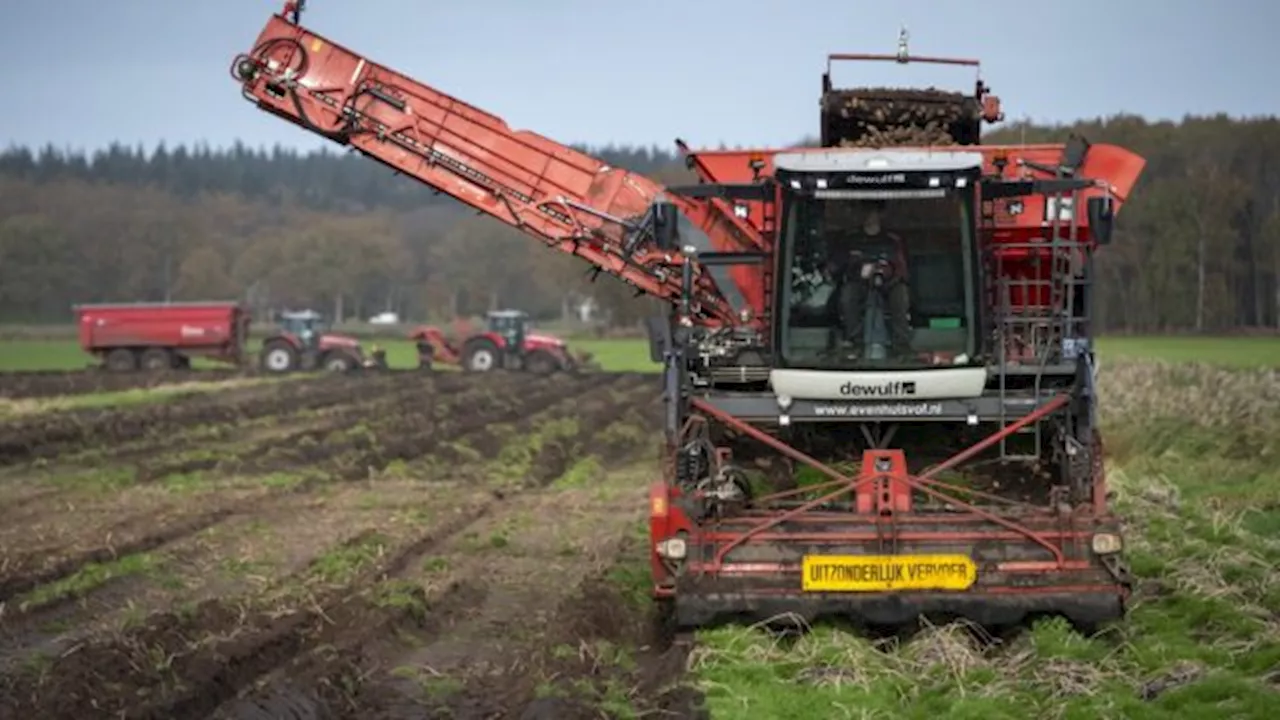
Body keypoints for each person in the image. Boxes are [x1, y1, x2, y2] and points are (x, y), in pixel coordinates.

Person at [827, 202, 913, 360]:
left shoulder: (892, 240)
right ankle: (855, 343)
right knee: (848, 296)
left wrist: (887, 272)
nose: (868, 216)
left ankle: (901, 346)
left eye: (872, 212)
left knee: (901, 296)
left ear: (880, 214)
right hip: (858, 281)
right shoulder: (850, 238)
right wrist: (858, 270)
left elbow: (902, 267)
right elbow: (837, 264)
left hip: (889, 282)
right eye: (865, 212)